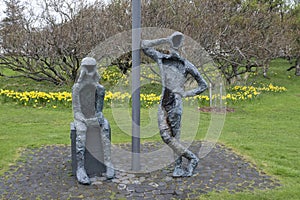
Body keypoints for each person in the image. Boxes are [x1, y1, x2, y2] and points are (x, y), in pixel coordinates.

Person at [142, 32, 208, 177]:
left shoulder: (185, 64)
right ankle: (192, 158)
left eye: (177, 41)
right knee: (165, 136)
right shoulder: (162, 58)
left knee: (175, 135)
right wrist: (165, 39)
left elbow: (203, 85)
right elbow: (144, 45)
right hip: (163, 101)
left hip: (175, 103)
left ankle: (178, 166)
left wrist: (185, 94)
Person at [72, 57, 114, 185]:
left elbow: (99, 109)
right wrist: (84, 120)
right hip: (82, 118)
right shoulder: (76, 89)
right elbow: (76, 110)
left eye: (92, 68)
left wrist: (97, 117)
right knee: (81, 133)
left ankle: (108, 163)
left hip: (93, 117)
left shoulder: (99, 89)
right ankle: (80, 167)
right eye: (87, 68)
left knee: (105, 127)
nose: (89, 72)